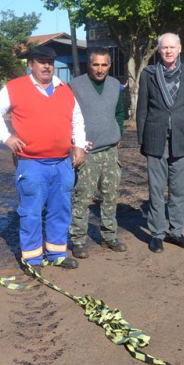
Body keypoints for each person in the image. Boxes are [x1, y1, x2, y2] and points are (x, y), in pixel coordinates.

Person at [0, 45, 88, 271]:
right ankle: (32, 259)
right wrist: (6, 137)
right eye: (41, 62)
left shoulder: (65, 89)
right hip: (31, 164)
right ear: (30, 65)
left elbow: (77, 119)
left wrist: (79, 145)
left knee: (60, 210)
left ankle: (56, 253)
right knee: (31, 212)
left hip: (62, 163)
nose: (46, 66)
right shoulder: (15, 88)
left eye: (50, 62)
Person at [136, 33, 184, 253]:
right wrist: (142, 140)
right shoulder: (149, 75)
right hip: (155, 139)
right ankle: (157, 233)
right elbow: (142, 109)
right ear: (159, 50)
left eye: (172, 47)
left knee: (178, 190)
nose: (168, 51)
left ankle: (176, 232)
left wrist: (183, 126)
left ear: (180, 48)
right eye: (164, 48)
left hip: (181, 140)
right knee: (156, 190)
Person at [68, 47, 127, 259]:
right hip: (87, 153)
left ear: (109, 65)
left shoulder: (114, 85)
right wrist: (76, 143)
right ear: (89, 65)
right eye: (96, 64)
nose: (100, 69)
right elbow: (67, 117)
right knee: (82, 198)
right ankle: (78, 239)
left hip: (110, 152)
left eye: (104, 65)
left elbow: (120, 113)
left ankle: (109, 236)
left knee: (110, 196)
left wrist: (117, 132)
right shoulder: (75, 86)